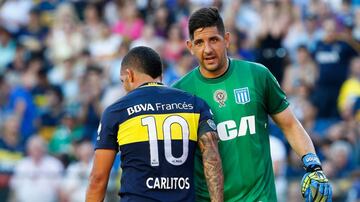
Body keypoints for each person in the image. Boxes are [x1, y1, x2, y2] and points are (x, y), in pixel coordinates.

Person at [172, 7, 332, 201]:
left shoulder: (257, 75)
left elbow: (290, 124)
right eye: (199, 42)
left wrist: (313, 165)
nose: (207, 49)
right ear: (190, 46)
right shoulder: (179, 93)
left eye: (214, 39)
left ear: (227, 40)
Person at [86, 46, 223, 202]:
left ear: (129, 75)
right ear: (161, 76)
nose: (124, 87)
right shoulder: (195, 104)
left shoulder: (117, 111)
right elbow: (212, 159)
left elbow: (98, 178)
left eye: (123, 81)